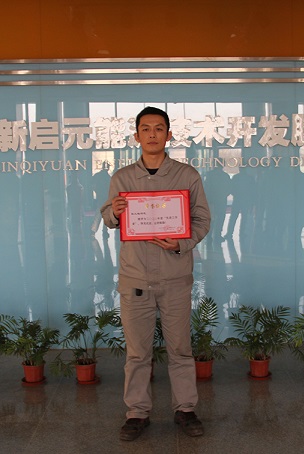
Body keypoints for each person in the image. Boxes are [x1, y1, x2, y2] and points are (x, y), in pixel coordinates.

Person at [100, 106, 211, 441]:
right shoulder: (122, 178)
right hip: (135, 278)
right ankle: (137, 413)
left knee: (180, 349)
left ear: (169, 134)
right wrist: (114, 212)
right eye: (145, 129)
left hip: (174, 276)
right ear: (136, 136)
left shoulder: (187, 176)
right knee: (137, 353)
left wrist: (181, 243)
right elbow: (108, 217)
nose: (152, 134)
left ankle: (185, 409)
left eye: (159, 128)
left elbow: (202, 219)